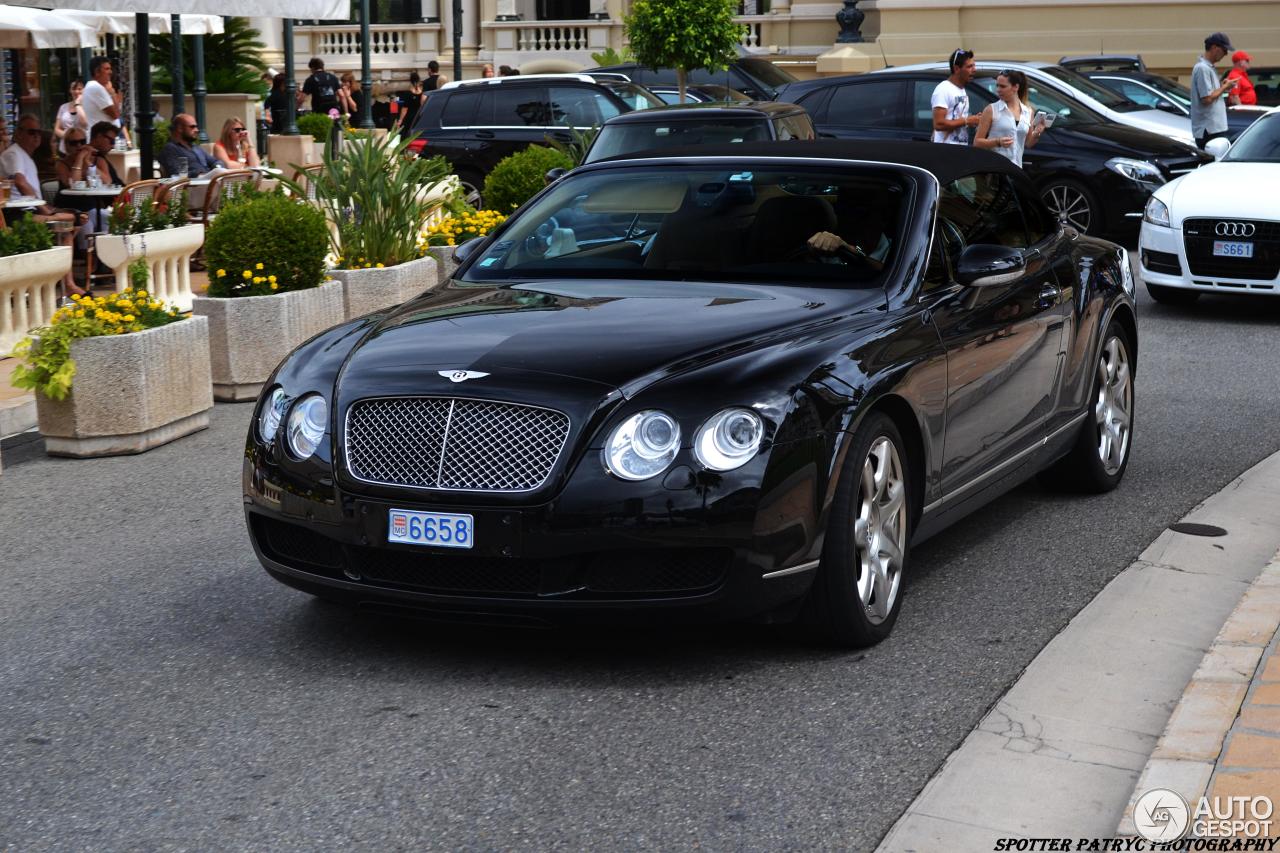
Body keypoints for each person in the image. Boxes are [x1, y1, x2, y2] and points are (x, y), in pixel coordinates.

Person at [1, 115, 86, 293]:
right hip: (17, 215)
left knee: (74, 220)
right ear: (19, 133)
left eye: (38, 132)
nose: (36, 136)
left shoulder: (24, 155)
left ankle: (58, 277)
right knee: (68, 223)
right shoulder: (13, 154)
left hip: (29, 210)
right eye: (31, 132)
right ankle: (66, 283)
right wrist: (43, 208)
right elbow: (20, 181)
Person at [974, 70, 1046, 167]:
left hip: (1016, 168)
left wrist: (1037, 133)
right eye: (997, 86)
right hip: (994, 168)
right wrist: (997, 142)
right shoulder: (991, 109)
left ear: (1016, 87)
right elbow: (977, 142)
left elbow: (1028, 143)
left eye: (1003, 86)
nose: (998, 90)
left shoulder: (1028, 112)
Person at [1191, 32, 1238, 150]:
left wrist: (1222, 86)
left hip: (1213, 128)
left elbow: (1211, 93)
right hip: (1209, 130)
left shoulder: (1208, 68)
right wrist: (1224, 88)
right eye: (1224, 50)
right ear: (1214, 48)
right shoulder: (1202, 68)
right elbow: (1206, 99)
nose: (1226, 54)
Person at [932, 49, 981, 145]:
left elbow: (958, 118)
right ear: (957, 69)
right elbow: (938, 124)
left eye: (974, 66)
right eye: (969, 66)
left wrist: (975, 120)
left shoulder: (961, 90)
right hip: (946, 150)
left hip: (960, 149)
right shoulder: (943, 89)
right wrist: (967, 121)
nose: (974, 70)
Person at [158, 114, 224, 178]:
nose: (197, 130)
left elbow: (215, 161)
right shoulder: (170, 149)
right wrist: (199, 173)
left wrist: (217, 167)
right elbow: (176, 174)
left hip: (208, 181)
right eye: (192, 127)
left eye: (196, 127)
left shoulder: (196, 147)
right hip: (191, 185)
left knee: (229, 174)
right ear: (180, 128)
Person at [82, 56, 124, 134]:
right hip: (101, 139)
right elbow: (116, 114)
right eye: (107, 69)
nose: (111, 72)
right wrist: (112, 92)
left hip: (106, 138)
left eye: (110, 69)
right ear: (97, 72)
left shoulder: (95, 87)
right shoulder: (95, 87)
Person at [54, 80, 86, 154]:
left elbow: (84, 123)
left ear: (84, 90)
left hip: (82, 147)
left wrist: (78, 104)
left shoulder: (88, 106)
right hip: (65, 149)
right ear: (70, 91)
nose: (76, 92)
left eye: (79, 89)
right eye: (73, 89)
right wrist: (69, 137)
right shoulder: (63, 107)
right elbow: (57, 129)